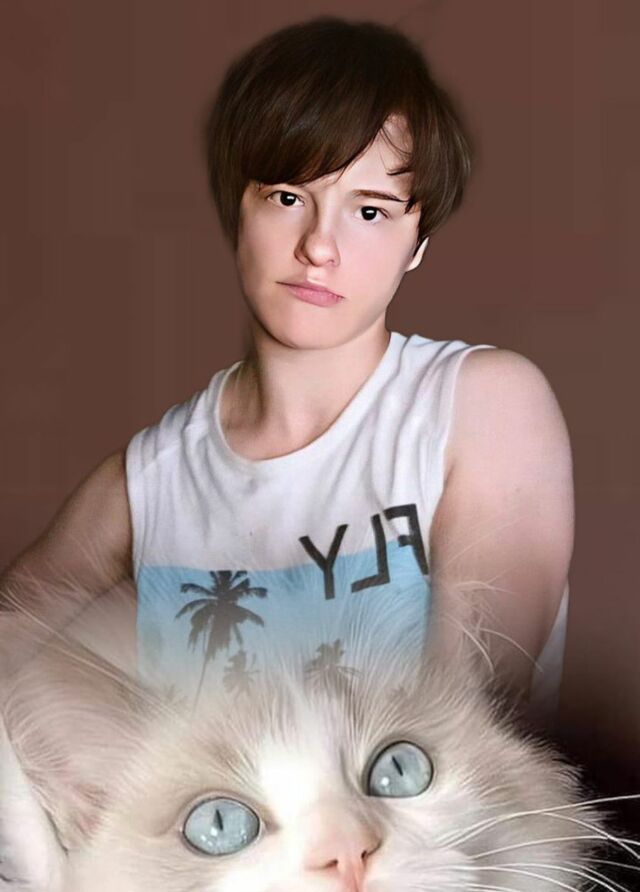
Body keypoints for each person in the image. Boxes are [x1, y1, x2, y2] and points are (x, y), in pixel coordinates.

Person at [0, 16, 573, 720]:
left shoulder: (481, 408)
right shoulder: (145, 483)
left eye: (370, 211)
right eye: (288, 198)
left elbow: (471, 726)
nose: (319, 247)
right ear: (236, 210)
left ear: (418, 242)